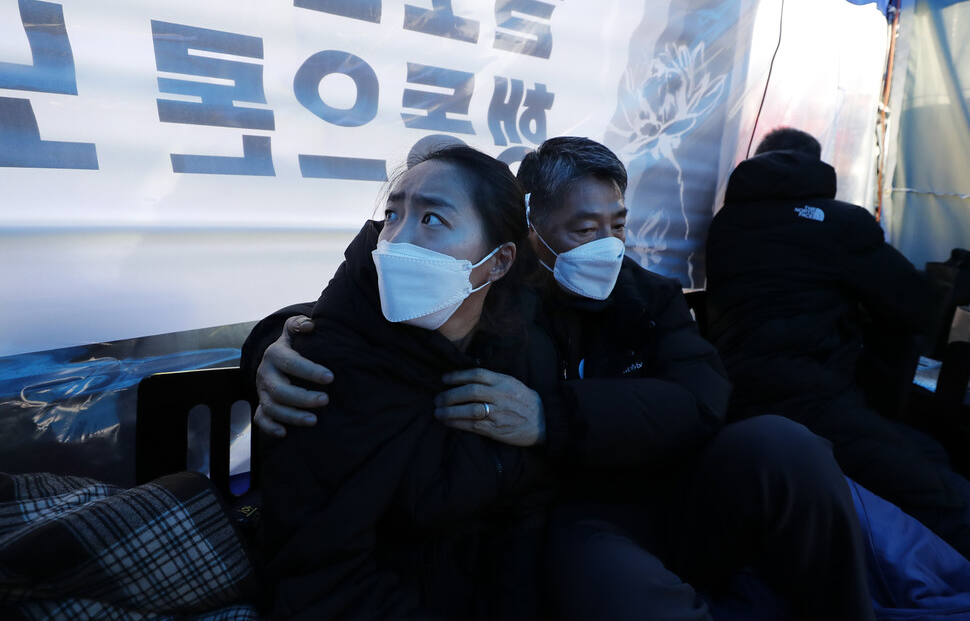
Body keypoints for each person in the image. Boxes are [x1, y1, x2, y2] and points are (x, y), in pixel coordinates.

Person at [247, 137, 874, 619]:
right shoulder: (499, 295)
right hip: (569, 517)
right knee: (617, 583)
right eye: (583, 228)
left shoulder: (646, 298)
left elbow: (701, 398)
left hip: (661, 487)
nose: (606, 245)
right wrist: (271, 344)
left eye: (617, 224)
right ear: (528, 232)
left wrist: (554, 416)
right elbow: (371, 308)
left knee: (786, 446)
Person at [260, 145, 559, 620]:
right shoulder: (323, 371)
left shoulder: (521, 346)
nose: (396, 239)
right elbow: (320, 576)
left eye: (432, 220)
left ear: (499, 262)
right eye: (393, 214)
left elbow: (525, 513)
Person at [704, 126, 970, 559]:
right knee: (943, 493)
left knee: (927, 450)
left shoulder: (727, 223)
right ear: (815, 165)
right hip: (809, 403)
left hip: (733, 401)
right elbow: (914, 304)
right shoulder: (839, 222)